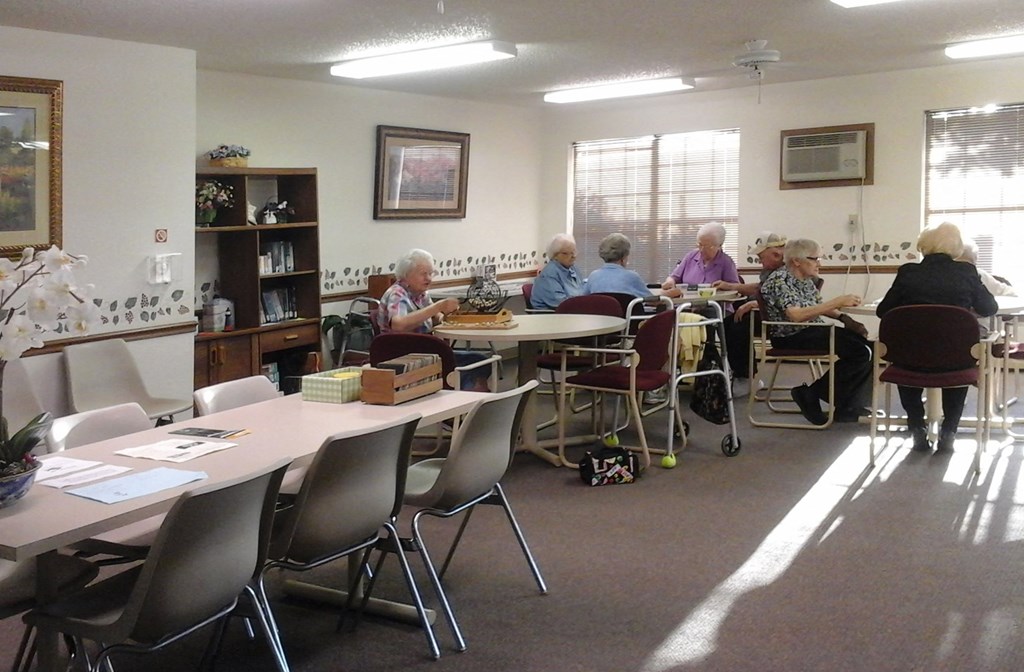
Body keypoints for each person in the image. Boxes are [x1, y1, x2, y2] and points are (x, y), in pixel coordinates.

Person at [876, 222, 997, 452]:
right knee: (958, 354)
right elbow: (989, 307)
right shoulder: (966, 272)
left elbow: (883, 311)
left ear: (924, 246)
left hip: (909, 358)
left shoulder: (907, 272)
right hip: (955, 359)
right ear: (957, 247)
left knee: (907, 354)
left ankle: (916, 427)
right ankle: (949, 430)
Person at [760, 238, 873, 426]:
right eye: (815, 259)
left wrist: (845, 319)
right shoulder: (780, 280)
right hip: (790, 336)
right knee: (860, 352)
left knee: (870, 348)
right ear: (797, 261)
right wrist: (837, 302)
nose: (819, 263)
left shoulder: (804, 279)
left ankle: (847, 406)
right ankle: (812, 393)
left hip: (812, 330)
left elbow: (816, 305)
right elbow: (796, 315)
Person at [376, 248, 490, 391]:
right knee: (466, 366)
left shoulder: (421, 294)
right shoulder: (397, 293)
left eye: (430, 274)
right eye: (423, 274)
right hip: (404, 355)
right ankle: (464, 398)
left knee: (481, 361)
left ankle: (472, 396)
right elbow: (398, 325)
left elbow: (437, 318)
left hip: (425, 351)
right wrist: (438, 306)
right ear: (406, 275)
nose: (428, 278)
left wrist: (447, 315)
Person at [714, 232, 787, 379]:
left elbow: (787, 298)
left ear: (776, 255)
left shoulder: (789, 270)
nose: (760, 262)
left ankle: (744, 376)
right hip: (766, 310)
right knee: (727, 323)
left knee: (737, 326)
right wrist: (729, 286)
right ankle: (737, 370)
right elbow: (760, 288)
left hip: (779, 318)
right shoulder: (773, 270)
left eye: (761, 258)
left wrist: (755, 304)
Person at [582, 233, 680, 299]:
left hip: (602, 326)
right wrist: (669, 294)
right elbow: (652, 301)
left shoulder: (593, 277)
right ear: (624, 257)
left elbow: (583, 300)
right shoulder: (631, 277)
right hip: (629, 326)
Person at [661, 222, 740, 291]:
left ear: (719, 246)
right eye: (700, 245)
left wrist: (726, 286)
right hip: (687, 304)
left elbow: (736, 289)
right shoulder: (691, 257)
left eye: (707, 246)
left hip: (716, 306)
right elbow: (673, 277)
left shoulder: (726, 262)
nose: (702, 250)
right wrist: (670, 282)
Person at [531, 233, 583, 310]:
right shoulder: (549, 275)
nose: (573, 256)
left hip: (572, 313)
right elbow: (561, 303)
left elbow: (582, 291)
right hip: (551, 317)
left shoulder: (573, 268)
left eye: (573, 252)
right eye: (566, 253)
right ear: (554, 256)